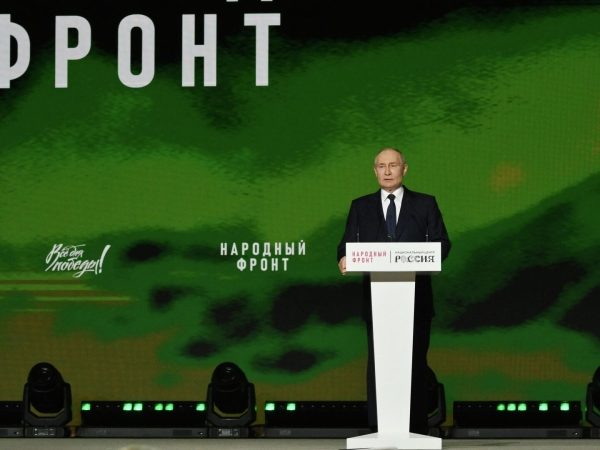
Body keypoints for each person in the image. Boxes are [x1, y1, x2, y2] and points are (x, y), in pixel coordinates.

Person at [337, 147, 451, 434]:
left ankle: (416, 428)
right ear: (374, 170)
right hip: (378, 301)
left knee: (415, 362)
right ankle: (379, 427)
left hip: (416, 300)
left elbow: (442, 243)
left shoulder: (425, 204)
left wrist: (423, 257)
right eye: (381, 166)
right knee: (380, 363)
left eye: (393, 165)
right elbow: (346, 244)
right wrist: (343, 257)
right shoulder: (360, 206)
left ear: (404, 169)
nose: (387, 171)